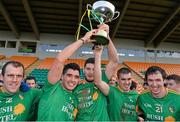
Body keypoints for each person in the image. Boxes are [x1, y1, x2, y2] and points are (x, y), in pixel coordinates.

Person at [37, 29, 97, 121]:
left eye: (76, 77)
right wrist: (83, 40)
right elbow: (60, 59)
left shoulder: (75, 99)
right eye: (69, 75)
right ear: (61, 76)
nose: (73, 80)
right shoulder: (53, 88)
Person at [73, 24, 119, 121]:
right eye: (88, 69)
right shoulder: (75, 86)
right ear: (83, 69)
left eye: (94, 69)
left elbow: (114, 61)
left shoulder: (102, 79)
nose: (91, 72)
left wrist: (107, 36)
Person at [93, 46, 138, 121]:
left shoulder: (136, 95)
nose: (127, 82)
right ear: (117, 80)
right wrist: (97, 55)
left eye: (129, 79)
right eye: (123, 79)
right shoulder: (112, 91)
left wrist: (139, 117)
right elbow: (98, 82)